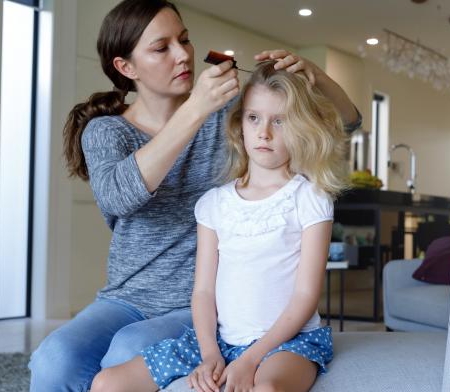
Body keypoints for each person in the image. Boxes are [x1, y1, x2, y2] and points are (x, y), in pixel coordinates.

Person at [28, 0, 360, 390]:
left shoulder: (225, 116)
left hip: (199, 302)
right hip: (125, 297)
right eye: (161, 47)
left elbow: (347, 122)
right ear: (126, 67)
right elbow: (118, 197)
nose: (183, 54)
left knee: (127, 349)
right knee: (53, 359)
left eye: (183, 39)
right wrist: (194, 111)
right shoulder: (107, 132)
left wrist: (315, 75)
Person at [90, 60, 349, 392]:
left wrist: (250, 360)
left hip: (287, 344)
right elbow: (203, 291)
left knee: (267, 390)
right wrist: (210, 353)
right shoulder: (213, 204)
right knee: (106, 383)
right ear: (240, 124)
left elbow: (305, 296)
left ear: (300, 127)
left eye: (280, 121)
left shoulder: (310, 198)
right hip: (219, 341)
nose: (264, 132)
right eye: (254, 118)